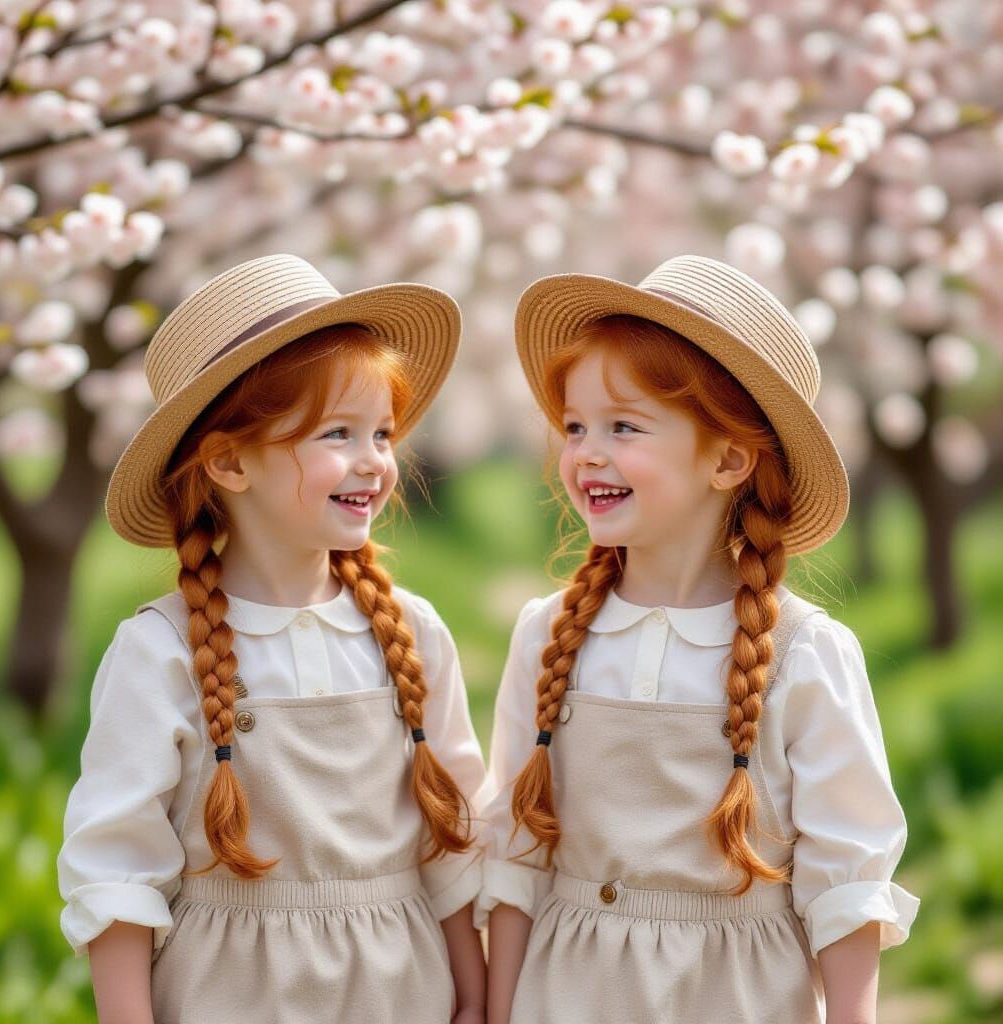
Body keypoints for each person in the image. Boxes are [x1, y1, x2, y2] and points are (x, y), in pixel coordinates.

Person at [480, 254, 919, 1024]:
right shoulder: (547, 637)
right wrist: (497, 1009)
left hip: (740, 999)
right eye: (576, 426)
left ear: (725, 459)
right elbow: (516, 856)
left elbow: (845, 884)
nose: (586, 452)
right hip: (566, 996)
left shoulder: (803, 654)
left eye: (625, 426)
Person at [58, 254, 487, 1024]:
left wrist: (476, 1000)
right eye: (337, 433)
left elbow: (450, 844)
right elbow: (117, 872)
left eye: (382, 433)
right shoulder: (161, 652)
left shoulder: (412, 633)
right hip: (233, 996)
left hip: (402, 995)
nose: (374, 462)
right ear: (228, 461)